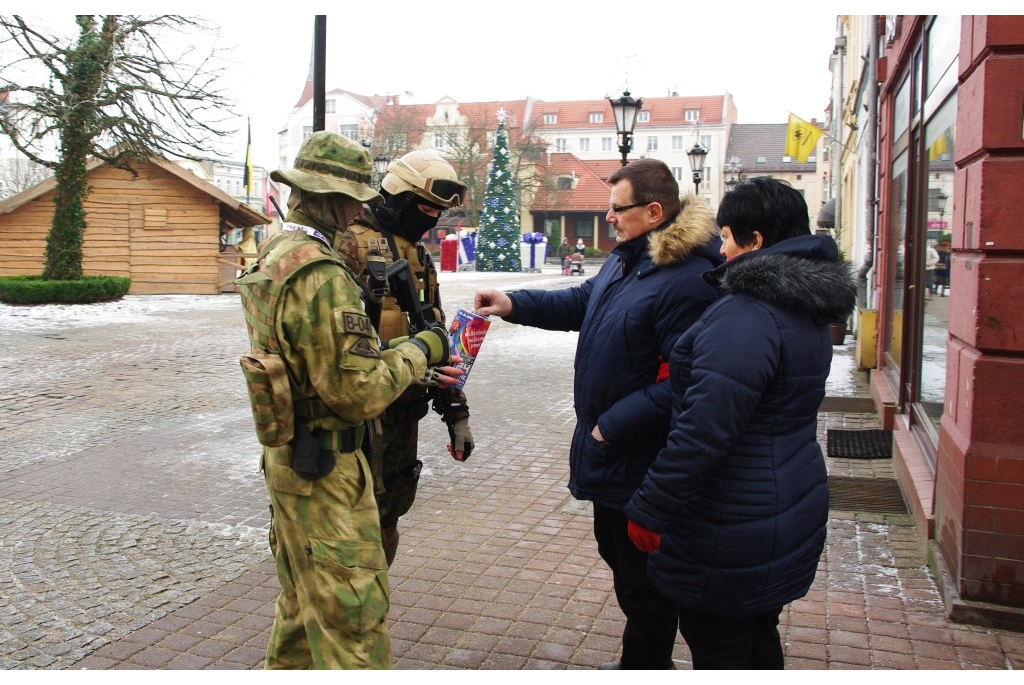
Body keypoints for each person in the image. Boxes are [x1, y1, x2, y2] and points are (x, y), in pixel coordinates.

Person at [474, 158, 723, 670]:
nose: (608, 217)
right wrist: (513, 303)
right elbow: (581, 303)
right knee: (622, 563)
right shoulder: (627, 260)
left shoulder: (689, 279)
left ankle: (645, 667)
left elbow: (686, 381)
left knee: (647, 583)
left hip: (642, 457)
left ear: (654, 212)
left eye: (617, 208)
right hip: (610, 452)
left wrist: (613, 425)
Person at [235, 132, 462, 669]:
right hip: (327, 466)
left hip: (290, 458)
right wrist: (420, 349)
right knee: (352, 622)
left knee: (299, 612)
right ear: (332, 196)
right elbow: (357, 391)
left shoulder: (276, 252)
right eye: (355, 194)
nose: (363, 205)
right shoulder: (321, 272)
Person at [623, 177, 857, 669]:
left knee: (721, 647)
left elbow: (704, 429)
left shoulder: (748, 314)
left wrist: (651, 504)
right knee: (755, 638)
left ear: (755, 241)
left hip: (730, 520)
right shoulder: (804, 302)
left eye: (727, 237)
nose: (721, 249)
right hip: (783, 501)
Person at [345, 149, 474, 565]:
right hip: (359, 418)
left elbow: (434, 332)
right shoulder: (348, 244)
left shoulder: (417, 254)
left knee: (389, 511)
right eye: (424, 208)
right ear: (395, 196)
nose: (432, 219)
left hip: (405, 413)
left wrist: (456, 412)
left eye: (439, 211)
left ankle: (372, 611)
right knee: (351, 523)